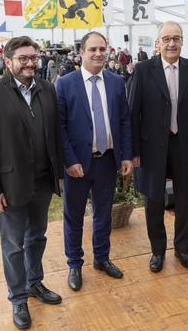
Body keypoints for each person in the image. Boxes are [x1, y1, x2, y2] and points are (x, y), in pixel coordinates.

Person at [0, 36, 64, 330]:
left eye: (33, 58)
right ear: (8, 60)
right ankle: (18, 298)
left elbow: (54, 133)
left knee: (37, 237)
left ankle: (35, 284)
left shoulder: (47, 89)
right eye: (23, 58)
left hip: (42, 181)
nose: (29, 63)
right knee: (13, 244)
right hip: (11, 186)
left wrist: (58, 172)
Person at [129, 21, 188, 273]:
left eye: (176, 38)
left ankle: (182, 249)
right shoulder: (143, 70)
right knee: (153, 199)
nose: (171, 43)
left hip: (184, 145)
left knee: (184, 199)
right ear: (158, 42)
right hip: (152, 147)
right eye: (166, 39)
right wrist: (134, 152)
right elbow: (133, 113)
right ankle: (157, 251)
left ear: (183, 41)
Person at [57, 31, 133, 291]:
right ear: (82, 52)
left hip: (107, 160)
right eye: (93, 50)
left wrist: (125, 155)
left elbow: (124, 120)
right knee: (74, 216)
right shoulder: (65, 84)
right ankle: (74, 264)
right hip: (77, 164)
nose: (99, 54)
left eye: (102, 49)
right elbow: (60, 127)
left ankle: (101, 258)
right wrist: (69, 161)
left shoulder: (115, 82)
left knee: (103, 214)